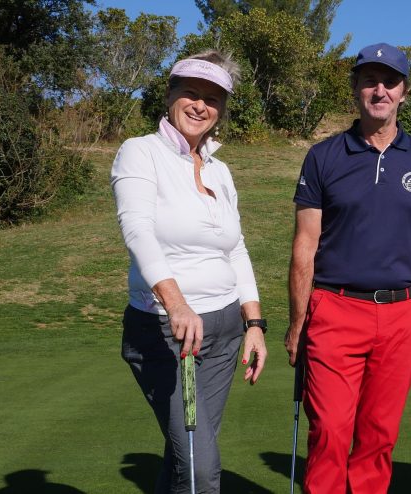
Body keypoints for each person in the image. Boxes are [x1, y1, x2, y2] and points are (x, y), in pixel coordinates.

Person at [284, 42, 411, 494]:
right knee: (330, 434)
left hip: (402, 313)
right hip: (335, 308)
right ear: (356, 88)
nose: (379, 90)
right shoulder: (324, 156)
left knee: (379, 437)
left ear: (404, 91)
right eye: (369, 80)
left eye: (390, 81)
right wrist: (297, 321)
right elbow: (305, 243)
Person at [111, 49, 268, 493]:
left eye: (213, 98)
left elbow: (234, 249)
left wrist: (253, 323)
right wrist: (176, 303)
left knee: (185, 456)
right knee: (200, 467)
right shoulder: (140, 153)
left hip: (223, 332)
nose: (201, 105)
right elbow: (137, 232)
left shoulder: (220, 170)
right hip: (168, 332)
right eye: (191, 93)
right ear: (170, 94)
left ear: (221, 111)